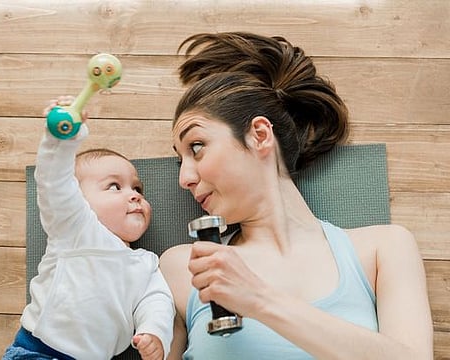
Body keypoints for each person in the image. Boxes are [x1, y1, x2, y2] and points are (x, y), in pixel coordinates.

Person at [159, 32, 434, 359]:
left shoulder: (382, 248)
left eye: (197, 147)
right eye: (180, 160)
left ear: (259, 136)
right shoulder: (182, 267)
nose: (184, 178)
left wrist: (259, 299)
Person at [3, 96, 174, 360]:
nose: (135, 195)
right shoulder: (75, 227)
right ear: (79, 199)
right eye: (115, 186)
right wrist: (60, 140)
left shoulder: (146, 263)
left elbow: (158, 301)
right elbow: (54, 183)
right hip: (39, 352)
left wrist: (155, 332)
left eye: (137, 188)